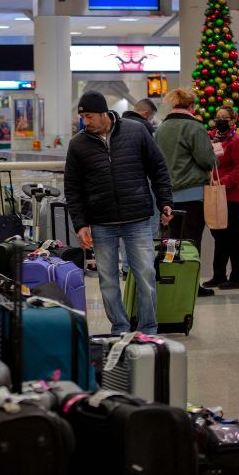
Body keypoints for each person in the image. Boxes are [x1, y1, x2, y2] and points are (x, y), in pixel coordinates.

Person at [64, 90, 174, 335]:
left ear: (104, 113)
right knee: (108, 280)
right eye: (83, 117)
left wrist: (165, 200)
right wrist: (80, 223)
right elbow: (72, 187)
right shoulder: (78, 144)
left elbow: (158, 167)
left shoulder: (136, 131)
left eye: (90, 116)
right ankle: (120, 328)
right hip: (102, 223)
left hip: (138, 219)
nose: (86, 122)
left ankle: (148, 329)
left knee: (145, 274)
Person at [154, 88, 219, 297]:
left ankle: (174, 280)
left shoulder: (161, 129)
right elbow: (206, 159)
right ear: (191, 107)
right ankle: (192, 284)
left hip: (168, 197)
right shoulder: (194, 127)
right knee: (192, 241)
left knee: (172, 240)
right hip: (192, 194)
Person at [201, 106, 239, 289]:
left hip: (231, 197)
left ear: (232, 121)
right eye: (218, 117)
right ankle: (219, 275)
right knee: (219, 237)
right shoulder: (210, 139)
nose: (220, 120)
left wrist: (223, 182)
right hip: (214, 195)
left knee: (233, 237)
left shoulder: (237, 142)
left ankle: (237, 277)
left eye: (225, 118)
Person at [119, 98, 159, 277]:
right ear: (145, 114)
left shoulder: (116, 126)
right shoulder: (145, 128)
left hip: (121, 186)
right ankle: (143, 267)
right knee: (146, 227)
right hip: (143, 183)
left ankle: (127, 267)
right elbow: (154, 160)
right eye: (151, 118)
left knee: (125, 229)